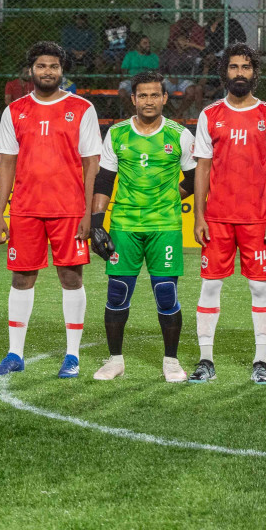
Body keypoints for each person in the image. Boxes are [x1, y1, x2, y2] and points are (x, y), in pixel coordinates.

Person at [0, 43, 102, 378]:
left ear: (62, 70)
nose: (47, 72)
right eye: (41, 66)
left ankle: (72, 355)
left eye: (54, 66)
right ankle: (15, 354)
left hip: (69, 209)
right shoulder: (14, 111)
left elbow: (92, 164)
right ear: (31, 70)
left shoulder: (81, 108)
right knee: (22, 276)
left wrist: (87, 214)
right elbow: (6, 164)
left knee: (71, 277)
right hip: (26, 208)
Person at [190, 44, 266, 385]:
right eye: (233, 67)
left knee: (260, 290)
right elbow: (202, 169)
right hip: (216, 218)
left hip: (257, 219)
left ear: (254, 73)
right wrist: (199, 216)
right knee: (209, 286)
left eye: (246, 67)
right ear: (225, 72)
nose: (240, 73)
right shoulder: (210, 115)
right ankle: (205, 360)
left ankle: (260, 361)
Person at [91, 72, 194, 383]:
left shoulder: (179, 135)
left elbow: (194, 180)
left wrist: (168, 198)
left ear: (164, 98)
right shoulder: (117, 134)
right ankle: (115, 361)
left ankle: (171, 362)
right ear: (133, 99)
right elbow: (104, 180)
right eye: (143, 95)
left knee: (166, 293)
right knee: (118, 292)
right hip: (124, 225)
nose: (149, 101)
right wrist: (97, 223)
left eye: (155, 95)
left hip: (165, 226)